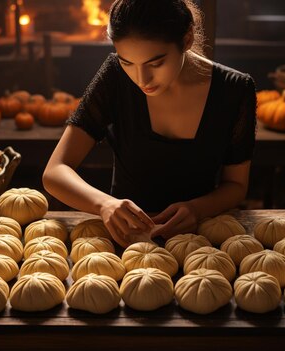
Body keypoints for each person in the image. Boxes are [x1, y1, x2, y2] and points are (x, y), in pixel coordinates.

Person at [43, 0, 256, 248]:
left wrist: (196, 209)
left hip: (201, 243)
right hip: (126, 240)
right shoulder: (115, 76)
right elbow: (55, 171)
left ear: (186, 40)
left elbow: (236, 185)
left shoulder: (235, 89)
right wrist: (103, 204)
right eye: (127, 63)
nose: (141, 79)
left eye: (156, 63)